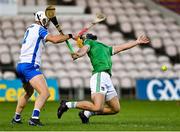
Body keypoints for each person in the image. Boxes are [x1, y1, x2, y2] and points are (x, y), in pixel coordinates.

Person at [57, 33, 150, 123]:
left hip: (106, 78)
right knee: (98, 107)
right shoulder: (93, 44)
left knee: (115, 109)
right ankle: (67, 104)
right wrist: (78, 53)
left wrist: (137, 42)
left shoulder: (98, 45)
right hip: (99, 76)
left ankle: (86, 114)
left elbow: (122, 47)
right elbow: (84, 50)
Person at [11, 11, 73, 126]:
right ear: (41, 19)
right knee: (45, 93)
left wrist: (65, 36)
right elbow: (54, 40)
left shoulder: (30, 28)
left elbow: (53, 38)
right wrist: (69, 36)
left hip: (21, 65)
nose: (48, 23)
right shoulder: (40, 29)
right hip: (30, 66)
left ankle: (16, 118)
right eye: (47, 20)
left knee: (28, 92)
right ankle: (34, 118)